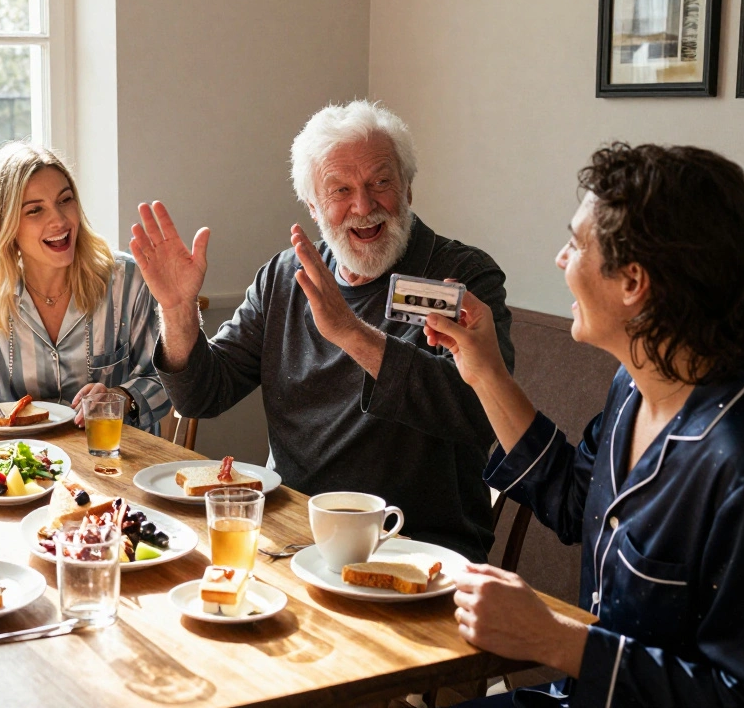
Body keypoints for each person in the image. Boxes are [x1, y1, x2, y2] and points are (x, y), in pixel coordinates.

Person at [423, 144, 744, 706]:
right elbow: (576, 501)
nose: (560, 259)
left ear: (633, 283)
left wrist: (551, 637)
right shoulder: (637, 384)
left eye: (576, 244)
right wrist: (484, 371)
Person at [131, 101, 513, 562]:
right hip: (294, 535)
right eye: (340, 190)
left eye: (381, 182)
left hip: (416, 547)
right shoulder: (286, 276)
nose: (364, 206)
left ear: (408, 189)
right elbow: (201, 395)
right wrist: (177, 310)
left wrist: (352, 332)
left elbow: (476, 414)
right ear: (313, 207)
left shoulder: (462, 276)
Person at [0, 141, 171, 431]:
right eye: (35, 211)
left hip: (113, 461)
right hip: (20, 464)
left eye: (64, 200)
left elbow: (166, 381)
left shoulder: (126, 280)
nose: (59, 220)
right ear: (5, 226)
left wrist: (122, 396)